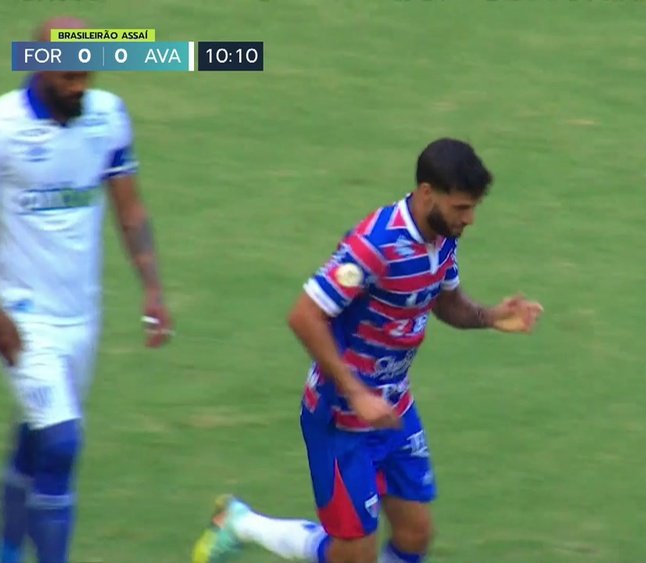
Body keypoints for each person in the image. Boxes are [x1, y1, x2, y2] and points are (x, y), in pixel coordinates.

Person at [192, 138, 543, 563]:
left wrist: (491, 316)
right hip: (340, 414)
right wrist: (356, 392)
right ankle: (240, 523)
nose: (469, 219)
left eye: (472, 208)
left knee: (415, 534)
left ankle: (240, 521)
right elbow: (304, 315)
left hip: (393, 407)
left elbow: (445, 300)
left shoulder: (443, 237)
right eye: (462, 208)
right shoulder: (375, 245)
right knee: (355, 555)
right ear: (428, 193)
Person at [0, 17, 173, 563]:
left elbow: (130, 208)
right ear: (38, 64)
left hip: (81, 316)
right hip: (22, 318)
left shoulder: (106, 118)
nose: (79, 87)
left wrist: (152, 288)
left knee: (35, 439)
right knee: (62, 441)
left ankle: (4, 552)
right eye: (68, 76)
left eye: (86, 76)